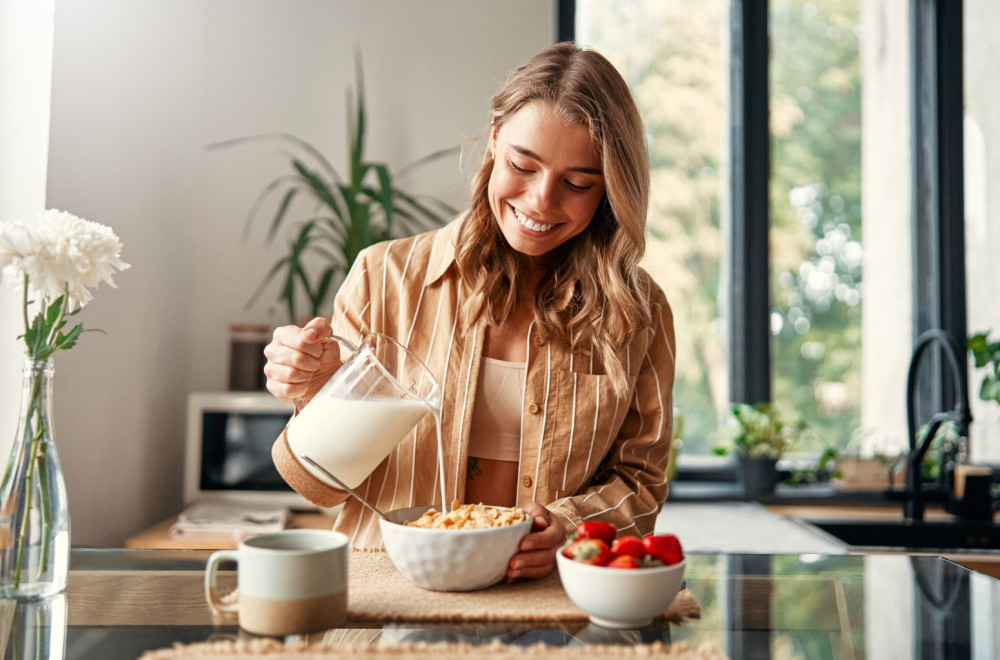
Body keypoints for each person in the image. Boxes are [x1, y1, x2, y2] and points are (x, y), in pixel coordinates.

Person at [264, 42, 676, 581]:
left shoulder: (638, 312)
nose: (540, 201)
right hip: (387, 596)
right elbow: (315, 485)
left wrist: (567, 525)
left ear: (610, 191)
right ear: (495, 138)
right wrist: (317, 396)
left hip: (542, 607)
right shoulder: (382, 277)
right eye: (521, 165)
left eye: (577, 184)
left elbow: (641, 481)